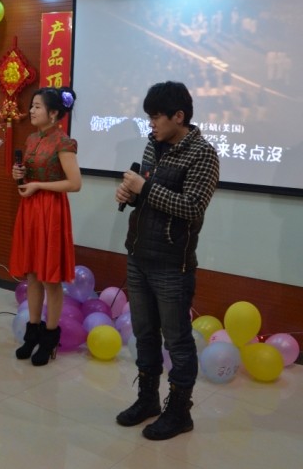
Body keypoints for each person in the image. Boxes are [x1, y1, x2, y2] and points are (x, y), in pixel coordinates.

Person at [114, 81, 219, 440]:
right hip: (139, 253)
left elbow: (192, 207)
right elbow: (146, 193)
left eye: (157, 117)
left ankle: (179, 413)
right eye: (149, 117)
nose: (151, 124)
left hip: (173, 264)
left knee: (177, 341)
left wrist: (145, 189)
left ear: (179, 116)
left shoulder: (203, 154)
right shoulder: (153, 144)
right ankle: (148, 400)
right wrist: (130, 195)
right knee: (144, 334)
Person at [10, 87, 82, 366]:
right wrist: (19, 175)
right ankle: (32, 333)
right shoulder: (31, 138)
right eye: (32, 106)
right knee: (32, 274)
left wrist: (39, 185)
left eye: (37, 106)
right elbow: (29, 176)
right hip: (30, 209)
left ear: (53, 113)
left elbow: (74, 183)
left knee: (50, 277)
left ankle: (50, 337)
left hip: (51, 212)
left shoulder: (64, 142)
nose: (31, 110)